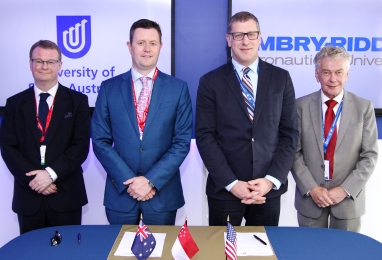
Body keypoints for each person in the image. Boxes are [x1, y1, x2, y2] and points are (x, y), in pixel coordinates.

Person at [195, 11, 298, 226]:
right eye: (239, 35)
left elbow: (289, 135)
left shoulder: (281, 78)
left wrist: (270, 181)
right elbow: (205, 137)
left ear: (260, 37)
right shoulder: (210, 82)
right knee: (220, 253)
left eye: (251, 35)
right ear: (228, 39)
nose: (245, 41)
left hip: (266, 191)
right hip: (225, 191)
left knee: (263, 255)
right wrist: (232, 183)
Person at [91, 19, 192, 225]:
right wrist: (131, 182)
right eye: (140, 43)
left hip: (162, 194)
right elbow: (100, 141)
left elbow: (181, 142)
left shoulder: (178, 88)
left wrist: (150, 181)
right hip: (121, 193)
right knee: (118, 255)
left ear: (161, 47)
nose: (147, 49)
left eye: (153, 43)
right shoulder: (109, 88)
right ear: (129, 46)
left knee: (161, 256)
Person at [0, 40, 90, 234]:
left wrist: (50, 174)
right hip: (28, 196)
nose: (44, 66)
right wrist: (35, 180)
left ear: (60, 65)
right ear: (30, 64)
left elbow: (80, 146)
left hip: (65, 195)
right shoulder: (14, 103)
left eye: (50, 62)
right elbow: (8, 147)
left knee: (68, 253)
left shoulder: (78, 101)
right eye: (38, 61)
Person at [291, 46, 378, 232]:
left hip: (348, 202)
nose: (333, 79)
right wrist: (312, 188)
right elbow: (293, 152)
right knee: (310, 253)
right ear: (317, 75)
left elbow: (369, 156)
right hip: (310, 200)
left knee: (345, 254)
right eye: (326, 72)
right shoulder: (300, 106)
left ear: (347, 74)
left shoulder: (364, 107)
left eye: (339, 72)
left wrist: (345, 189)